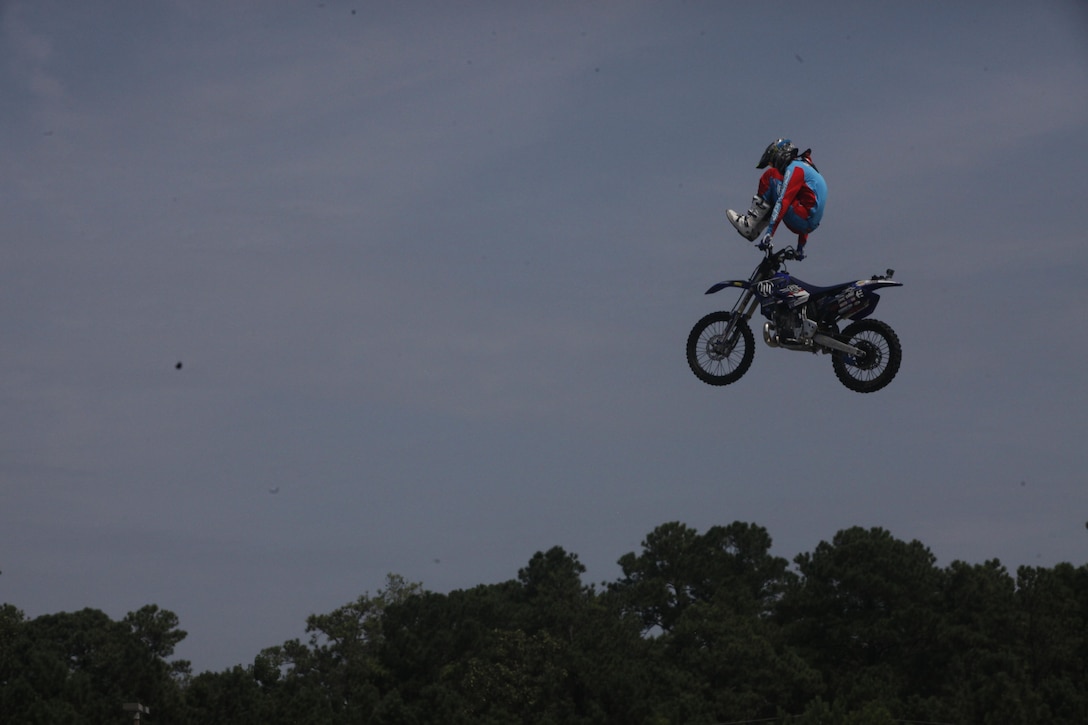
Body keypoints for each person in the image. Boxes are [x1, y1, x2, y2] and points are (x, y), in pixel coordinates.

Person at [727, 139, 827, 259]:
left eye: (772, 162)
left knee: (771, 176)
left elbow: (784, 201)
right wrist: (800, 248)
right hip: (807, 225)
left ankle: (749, 225)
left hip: (801, 220)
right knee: (781, 193)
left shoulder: (795, 169)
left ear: (781, 154)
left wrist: (769, 233)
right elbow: (812, 207)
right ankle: (756, 228)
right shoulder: (807, 166)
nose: (774, 166)